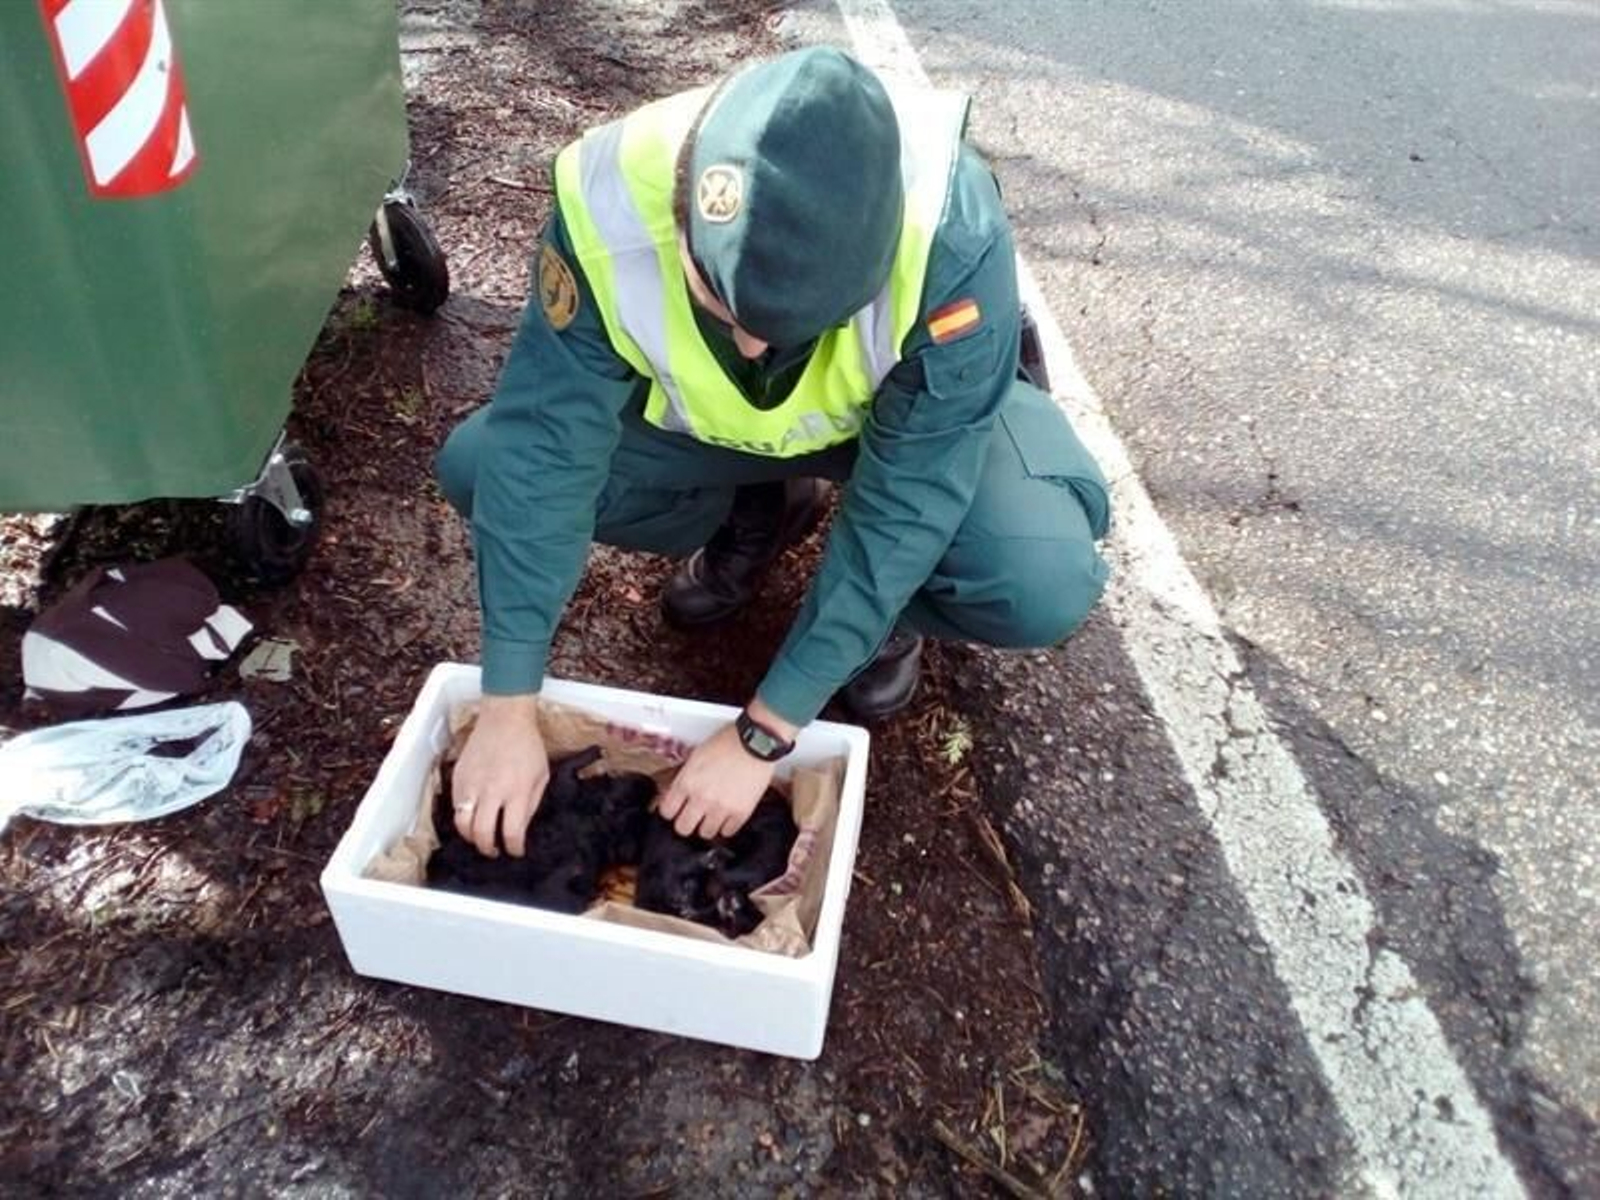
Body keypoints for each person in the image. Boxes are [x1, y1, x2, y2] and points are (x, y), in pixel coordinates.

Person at [435, 47, 1110, 858]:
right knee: (484, 467)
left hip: (904, 433)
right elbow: (544, 447)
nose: (755, 344)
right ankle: (765, 503)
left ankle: (880, 615)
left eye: (798, 323)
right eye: (719, 301)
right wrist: (508, 701)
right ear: (681, 218)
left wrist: (767, 729)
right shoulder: (610, 198)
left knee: (1037, 580)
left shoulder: (951, 237)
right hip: (722, 434)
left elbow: (911, 499)